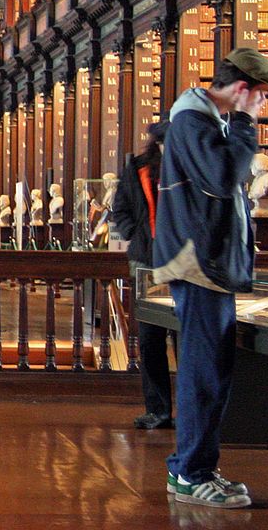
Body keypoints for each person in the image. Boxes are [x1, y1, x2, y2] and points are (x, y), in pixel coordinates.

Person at [152, 48, 268, 509]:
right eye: (262, 97)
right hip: (199, 263)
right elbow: (224, 177)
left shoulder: (204, 120)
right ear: (243, 89)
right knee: (204, 371)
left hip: (206, 260)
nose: (263, 106)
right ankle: (190, 473)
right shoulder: (195, 121)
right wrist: (246, 125)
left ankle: (196, 467)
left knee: (212, 368)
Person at [113, 119, 173, 431]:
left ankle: (188, 410)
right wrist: (135, 234)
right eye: (162, 143)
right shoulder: (137, 170)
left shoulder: (187, 170)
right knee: (150, 339)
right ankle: (158, 409)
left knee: (184, 340)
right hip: (146, 262)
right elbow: (119, 208)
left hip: (182, 263)